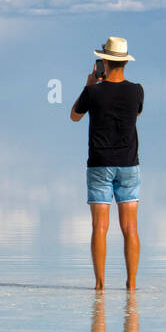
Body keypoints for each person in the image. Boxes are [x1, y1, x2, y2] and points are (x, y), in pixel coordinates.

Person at [69, 37, 143, 290]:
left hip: (99, 164)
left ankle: (100, 285)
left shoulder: (93, 92)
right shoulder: (137, 90)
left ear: (104, 62)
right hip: (129, 164)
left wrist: (89, 85)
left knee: (99, 226)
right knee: (130, 227)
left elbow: (74, 116)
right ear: (123, 62)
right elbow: (136, 114)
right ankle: (131, 285)